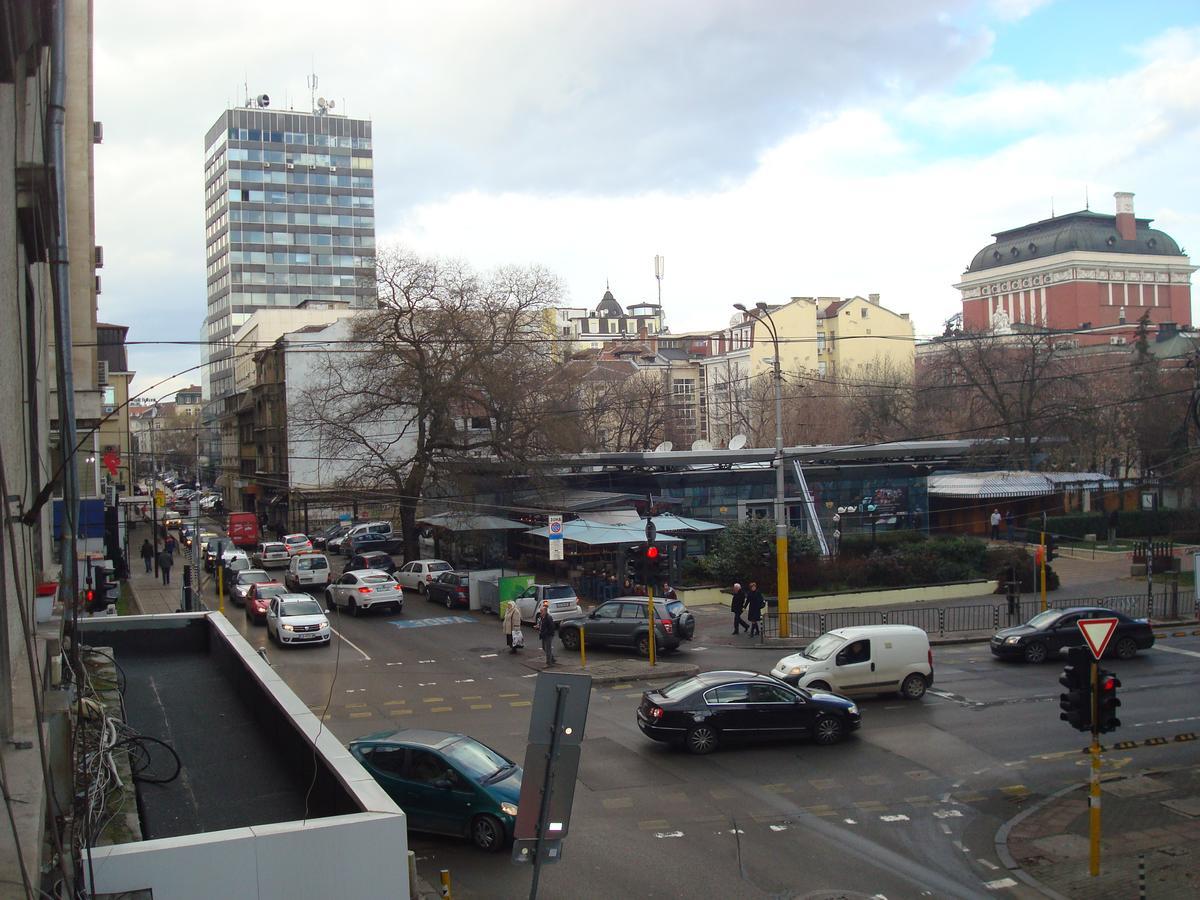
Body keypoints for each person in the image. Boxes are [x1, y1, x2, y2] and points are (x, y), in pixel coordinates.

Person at [536, 599, 556, 666]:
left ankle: (549, 663)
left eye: (541, 611)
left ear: (545, 612)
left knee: (548, 649)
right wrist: (538, 626)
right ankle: (552, 658)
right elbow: (542, 625)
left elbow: (551, 627)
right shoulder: (542, 617)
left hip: (548, 635)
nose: (540, 613)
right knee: (544, 648)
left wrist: (546, 633)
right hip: (544, 635)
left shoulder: (548, 618)